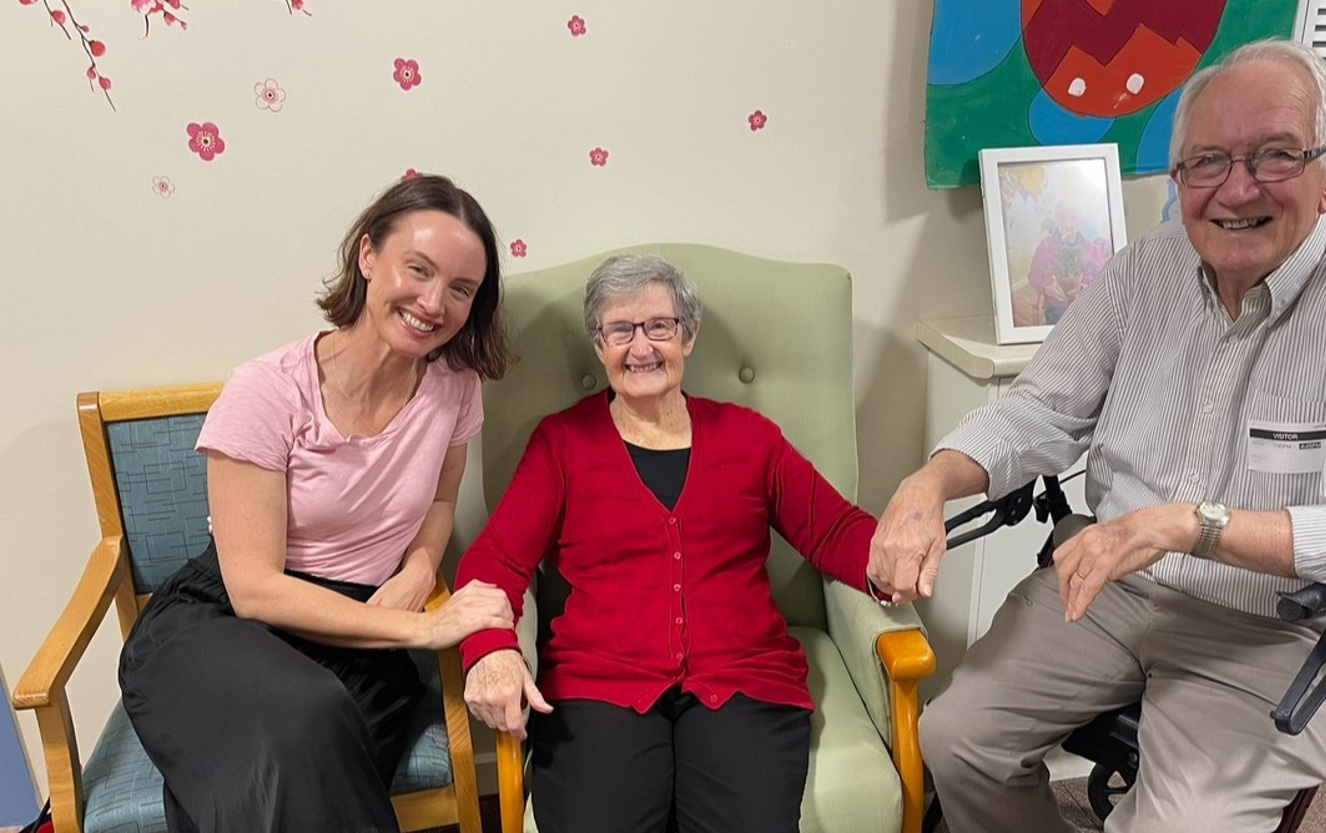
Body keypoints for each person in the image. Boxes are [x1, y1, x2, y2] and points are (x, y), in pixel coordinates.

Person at [869, 40, 1326, 833]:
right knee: (955, 740)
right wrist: (928, 483)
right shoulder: (1143, 270)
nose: (1237, 188)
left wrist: (1194, 525)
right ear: (1180, 178)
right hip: (1109, 586)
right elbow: (1036, 410)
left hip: (1270, 623)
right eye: (1208, 161)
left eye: (1274, 155)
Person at [119, 174, 518, 832]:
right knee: (304, 724)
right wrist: (422, 628)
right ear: (367, 257)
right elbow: (252, 587)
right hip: (224, 623)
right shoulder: (267, 391)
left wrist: (419, 570)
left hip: (357, 639)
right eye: (417, 269)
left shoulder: (456, 386)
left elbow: (441, 501)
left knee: (291, 758)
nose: (433, 302)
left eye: (460, 289)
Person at [456, 254, 881, 833]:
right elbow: (495, 559)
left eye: (659, 325)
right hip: (598, 683)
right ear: (598, 342)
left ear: (689, 333)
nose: (641, 348)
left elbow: (833, 530)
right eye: (620, 330)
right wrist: (490, 648)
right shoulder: (561, 444)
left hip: (742, 678)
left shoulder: (749, 438)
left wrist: (892, 555)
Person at [1025, 201, 1110, 325]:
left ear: (1079, 221)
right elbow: (1033, 276)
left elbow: (1103, 278)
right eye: (1062, 217)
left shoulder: (1091, 249)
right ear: (1056, 219)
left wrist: (1083, 288)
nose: (1067, 224)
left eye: (1072, 218)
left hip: (1085, 305)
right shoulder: (1045, 246)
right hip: (1055, 307)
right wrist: (1047, 289)